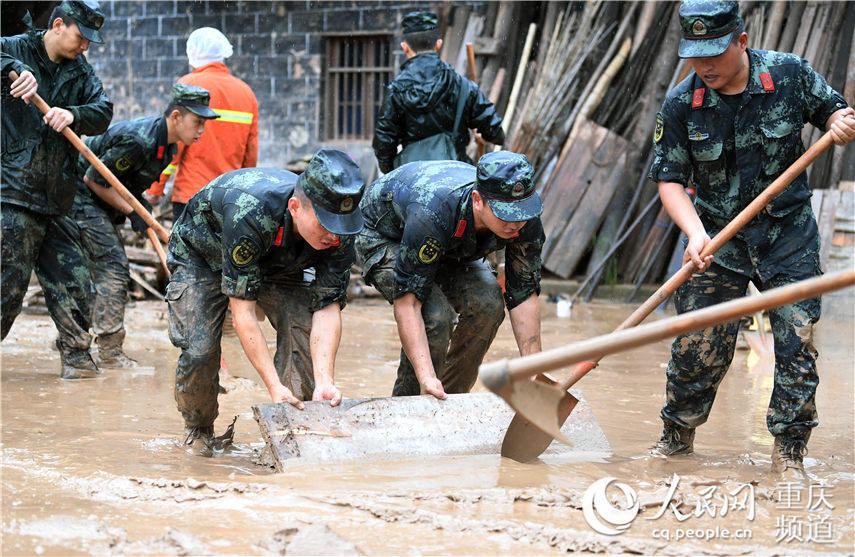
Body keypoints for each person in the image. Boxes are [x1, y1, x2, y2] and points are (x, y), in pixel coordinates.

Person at [648, 0, 855, 480]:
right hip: (718, 240)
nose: (705, 66)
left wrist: (839, 123)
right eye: (695, 55)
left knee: (796, 343)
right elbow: (669, 180)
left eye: (715, 53)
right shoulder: (682, 104)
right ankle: (675, 444)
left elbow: (835, 112)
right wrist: (696, 233)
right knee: (696, 348)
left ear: (742, 40)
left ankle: (789, 455)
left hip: (788, 236)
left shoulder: (788, 75)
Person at [166, 149, 365, 455]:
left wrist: (325, 380)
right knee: (200, 351)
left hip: (280, 260)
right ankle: (199, 430)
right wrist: (273, 385)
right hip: (203, 256)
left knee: (300, 323)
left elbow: (327, 307)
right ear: (295, 207)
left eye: (340, 229)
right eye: (325, 226)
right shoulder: (250, 210)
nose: (334, 238)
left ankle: (293, 427)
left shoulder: (339, 229)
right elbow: (242, 311)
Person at [356, 151, 545, 398]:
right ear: (478, 200)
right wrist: (426, 377)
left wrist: (535, 371)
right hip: (384, 234)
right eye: (505, 214)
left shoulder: (523, 217)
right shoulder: (433, 210)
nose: (515, 223)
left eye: (520, 213)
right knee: (435, 316)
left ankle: (452, 400)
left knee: (488, 304)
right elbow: (409, 303)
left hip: (450, 243)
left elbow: (523, 293)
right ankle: (408, 405)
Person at [69, 84, 219, 368]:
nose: (202, 130)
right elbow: (94, 179)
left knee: (96, 270)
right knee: (113, 268)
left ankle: (74, 338)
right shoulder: (139, 140)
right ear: (176, 116)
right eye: (198, 122)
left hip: (100, 199)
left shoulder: (169, 146)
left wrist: (139, 205)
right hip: (79, 197)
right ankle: (110, 354)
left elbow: (124, 180)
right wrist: (132, 212)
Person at [1, 0, 113, 379]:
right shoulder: (15, 48)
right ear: (59, 25)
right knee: (7, 289)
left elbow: (103, 109)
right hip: (12, 194)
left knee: (76, 282)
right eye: (81, 38)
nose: (85, 47)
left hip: (57, 198)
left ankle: (78, 360)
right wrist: (14, 70)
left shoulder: (80, 72)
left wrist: (74, 114)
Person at [146, 27, 258, 220]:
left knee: (185, 251)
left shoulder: (189, 86)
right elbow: (251, 153)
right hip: (229, 198)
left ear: (193, 55)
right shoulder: (246, 93)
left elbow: (173, 145)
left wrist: (156, 189)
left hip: (192, 194)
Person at [372, 11, 505, 174]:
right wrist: (482, 136)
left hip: (413, 179)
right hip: (457, 177)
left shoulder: (395, 91)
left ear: (405, 48)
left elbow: (383, 144)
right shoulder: (463, 86)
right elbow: (496, 132)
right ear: (438, 44)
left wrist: (395, 171)